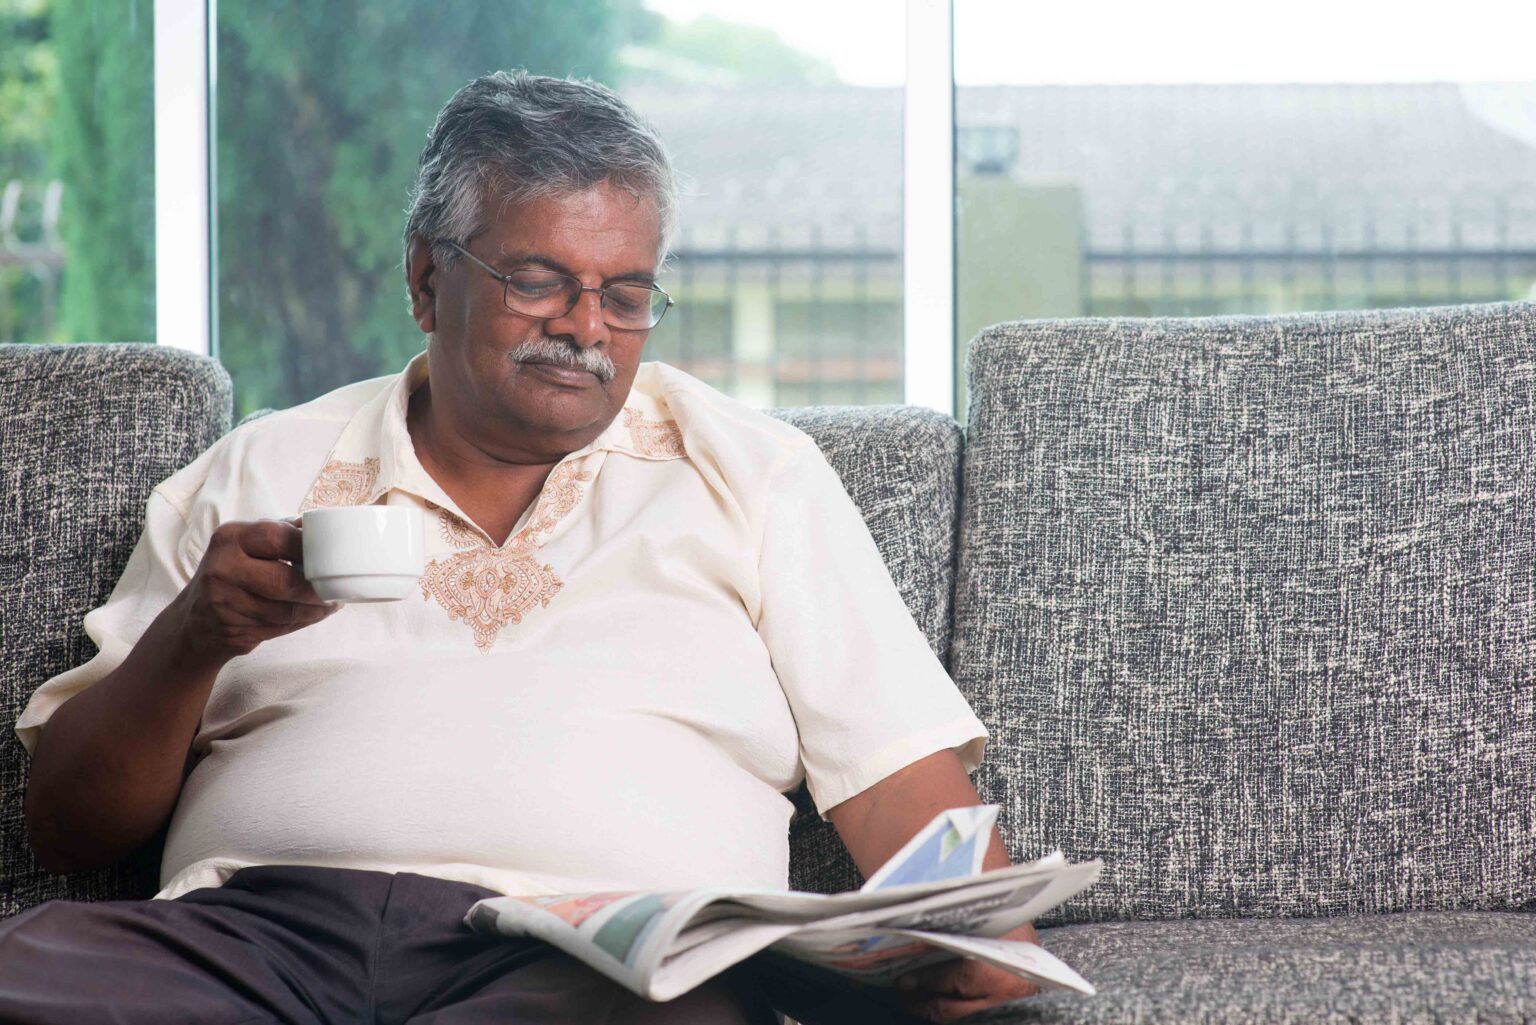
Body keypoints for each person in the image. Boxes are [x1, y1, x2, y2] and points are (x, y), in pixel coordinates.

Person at [3, 71, 1039, 1024]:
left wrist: (975, 945)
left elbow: (905, 790)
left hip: (596, 966)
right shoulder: (256, 468)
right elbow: (69, 829)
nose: (586, 327)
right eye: (538, 280)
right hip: (248, 944)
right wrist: (194, 634)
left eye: (626, 294)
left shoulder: (756, 474)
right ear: (425, 276)